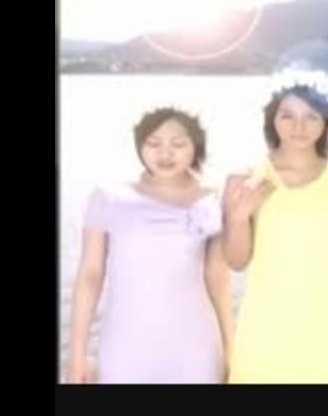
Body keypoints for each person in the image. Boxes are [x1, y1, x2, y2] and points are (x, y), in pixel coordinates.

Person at [222, 71, 328, 383]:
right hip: (266, 324)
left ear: (326, 121)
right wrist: (238, 218)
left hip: (327, 326)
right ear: (272, 119)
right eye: (287, 115)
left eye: (311, 116)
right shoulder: (246, 179)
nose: (299, 127)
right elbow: (236, 262)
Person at [66, 107, 232, 383]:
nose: (165, 154)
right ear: (140, 146)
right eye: (154, 143)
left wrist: (230, 350)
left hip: (196, 345)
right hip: (124, 345)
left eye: (178, 144)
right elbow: (90, 276)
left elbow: (218, 277)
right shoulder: (107, 198)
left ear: (195, 147)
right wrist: (77, 355)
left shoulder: (213, 200)